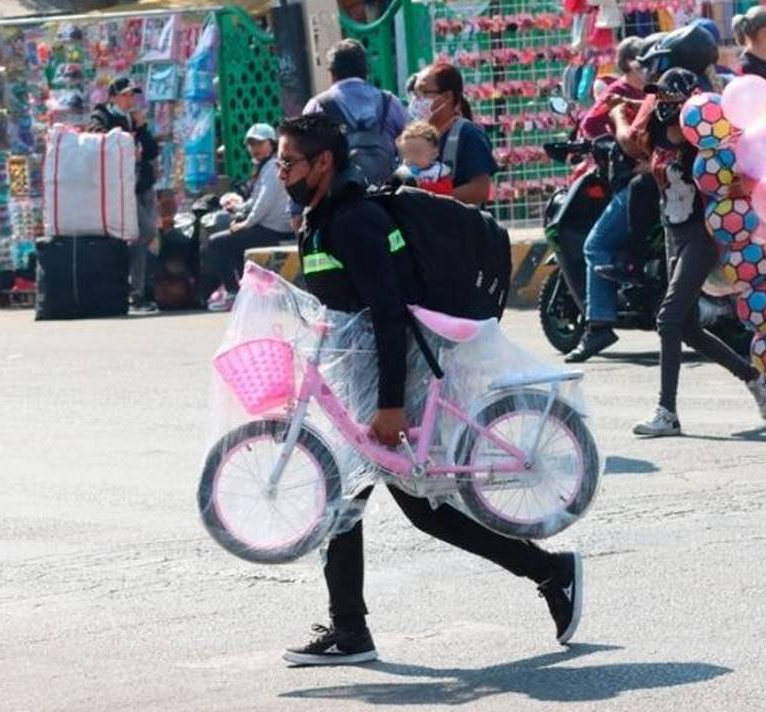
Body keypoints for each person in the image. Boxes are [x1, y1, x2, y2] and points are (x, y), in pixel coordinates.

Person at [275, 114, 581, 666]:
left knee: (409, 508)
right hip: (366, 376)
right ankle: (351, 630)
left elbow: (389, 315)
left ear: (322, 162)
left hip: (399, 377)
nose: (280, 174)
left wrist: (391, 404)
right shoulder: (322, 216)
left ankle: (550, 571)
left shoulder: (353, 221)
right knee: (352, 500)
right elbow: (343, 306)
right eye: (277, 163)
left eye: (288, 162)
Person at [629, 69, 766, 437]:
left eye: (668, 99)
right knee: (689, 328)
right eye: (658, 98)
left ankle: (667, 412)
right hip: (673, 233)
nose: (661, 105)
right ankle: (751, 375)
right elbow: (637, 148)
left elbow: (734, 173)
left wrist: (741, 185)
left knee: (668, 319)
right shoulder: (658, 133)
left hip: (704, 235)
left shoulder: (707, 139)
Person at [568, 39, 653, 362]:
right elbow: (589, 127)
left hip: (645, 182)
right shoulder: (619, 91)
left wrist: (619, 115)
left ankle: (599, 324)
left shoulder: (653, 93)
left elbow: (631, 143)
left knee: (596, 245)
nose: (647, 69)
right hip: (653, 180)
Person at [87, 77, 161, 313]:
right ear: (114, 97)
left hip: (141, 185)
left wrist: (141, 127)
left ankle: (136, 291)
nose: (131, 99)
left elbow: (151, 152)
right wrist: (125, 138)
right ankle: (127, 284)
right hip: (119, 188)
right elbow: (96, 136)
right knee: (145, 230)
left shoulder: (135, 118)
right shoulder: (104, 116)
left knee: (143, 238)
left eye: (133, 95)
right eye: (126, 95)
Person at [205, 124, 294, 312]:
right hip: (267, 225)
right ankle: (248, 292)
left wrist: (246, 223)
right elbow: (256, 200)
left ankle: (233, 293)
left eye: (261, 143)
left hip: (274, 228)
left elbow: (264, 203)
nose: (256, 148)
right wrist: (238, 207)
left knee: (216, 243)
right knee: (234, 242)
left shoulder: (273, 166)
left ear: (272, 143)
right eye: (252, 144)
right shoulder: (265, 166)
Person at [303, 39, 408, 185]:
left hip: (339, 197)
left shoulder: (318, 106)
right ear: (366, 71)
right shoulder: (390, 102)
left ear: (332, 74)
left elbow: (303, 158)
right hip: (387, 194)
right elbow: (413, 140)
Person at [410, 63, 499, 206]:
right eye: (414, 93)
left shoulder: (468, 134)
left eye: (423, 93)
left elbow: (480, 190)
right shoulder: (416, 135)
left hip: (458, 225)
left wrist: (431, 200)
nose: (415, 100)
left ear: (446, 97)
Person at [393, 120, 454, 195]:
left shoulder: (439, 171)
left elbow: (447, 190)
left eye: (417, 152)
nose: (412, 158)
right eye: (407, 153)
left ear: (434, 154)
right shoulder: (404, 172)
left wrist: (421, 186)